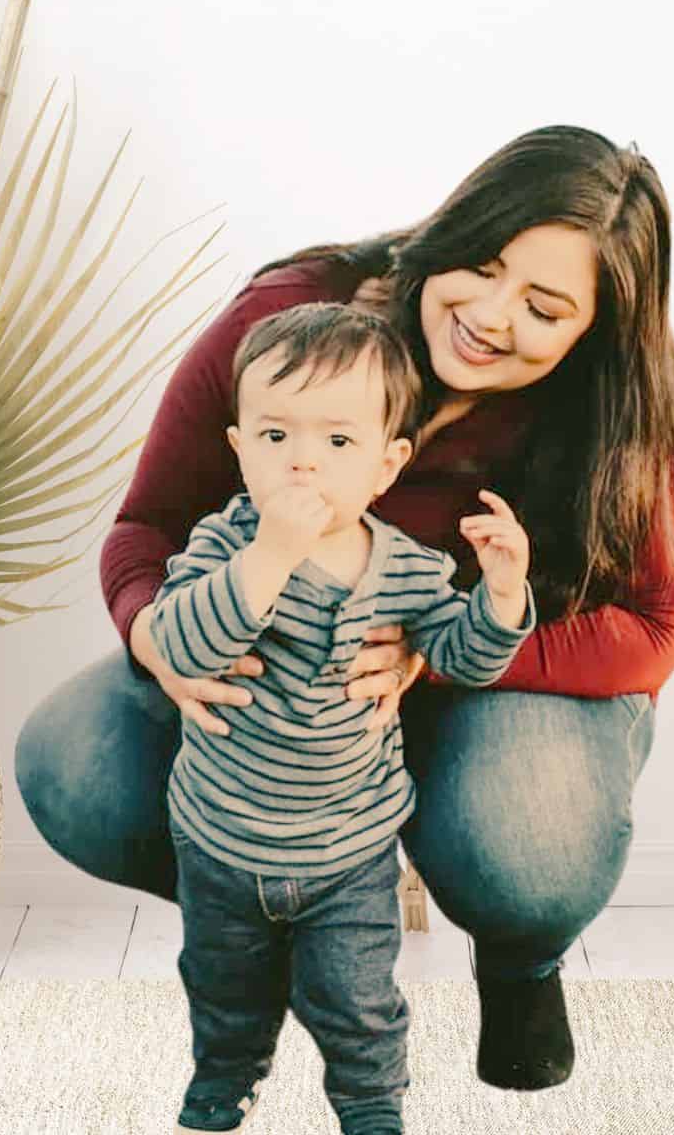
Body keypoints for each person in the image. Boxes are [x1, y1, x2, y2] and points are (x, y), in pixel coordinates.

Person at [15, 124, 674, 1093]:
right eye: (483, 262)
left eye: (545, 308)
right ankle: (290, 916)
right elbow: (147, 527)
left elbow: (656, 630)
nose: (490, 314)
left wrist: (445, 652)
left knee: (532, 846)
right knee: (74, 764)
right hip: (282, 699)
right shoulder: (297, 321)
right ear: (454, 225)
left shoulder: (616, 409)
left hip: (491, 689)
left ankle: (520, 958)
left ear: (592, 335)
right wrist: (155, 639)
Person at [157, 300, 536, 1135]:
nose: (302, 466)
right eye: (275, 437)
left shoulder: (405, 567)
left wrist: (501, 594)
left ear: (386, 464)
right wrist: (270, 557)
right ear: (239, 449)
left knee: (358, 1003)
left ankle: (372, 1109)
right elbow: (182, 646)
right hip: (221, 840)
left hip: (351, 849)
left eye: (336, 442)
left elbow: (463, 659)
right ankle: (228, 1075)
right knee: (223, 990)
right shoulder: (224, 547)